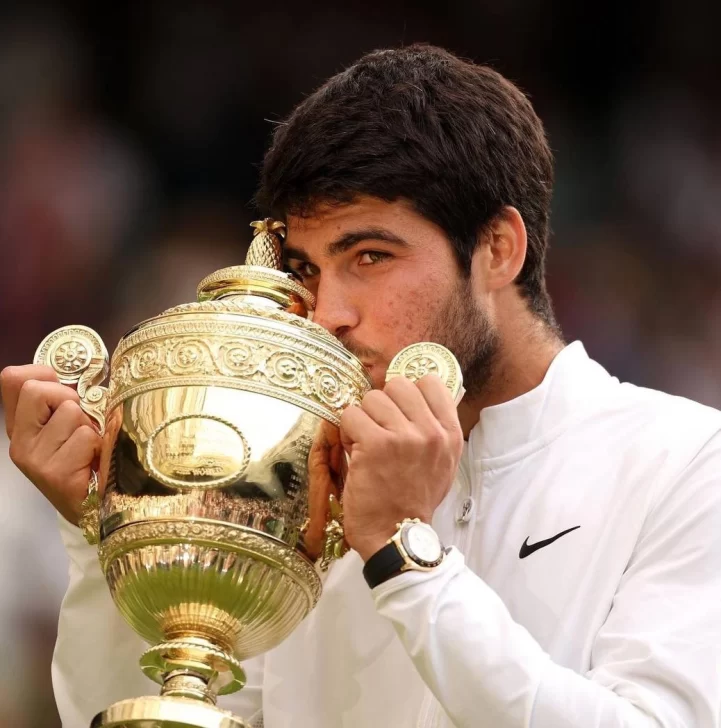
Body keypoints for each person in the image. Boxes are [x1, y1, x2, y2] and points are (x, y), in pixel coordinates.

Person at [3, 44, 721, 728]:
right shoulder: (296, 475)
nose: (330, 314)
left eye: (370, 256)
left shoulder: (684, 462)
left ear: (498, 249)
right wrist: (104, 534)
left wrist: (405, 558)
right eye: (309, 270)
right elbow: (159, 709)